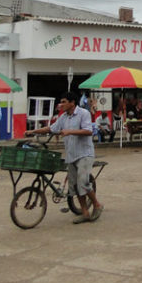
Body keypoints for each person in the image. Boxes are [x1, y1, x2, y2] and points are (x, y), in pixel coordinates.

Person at [27, 92, 104, 224]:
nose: (61, 104)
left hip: (85, 154)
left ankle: (97, 205)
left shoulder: (83, 113)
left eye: (64, 102)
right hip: (71, 155)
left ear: (72, 102)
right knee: (74, 186)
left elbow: (88, 131)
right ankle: (85, 213)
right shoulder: (63, 117)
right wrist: (32, 131)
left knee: (83, 183)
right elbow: (51, 129)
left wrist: (69, 131)